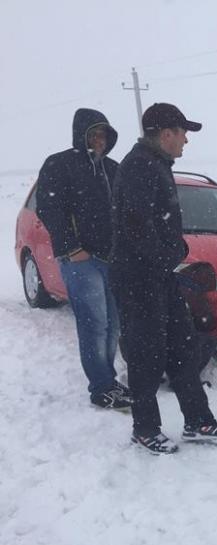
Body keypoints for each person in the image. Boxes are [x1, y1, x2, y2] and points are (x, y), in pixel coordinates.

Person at [110, 103, 217, 455]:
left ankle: (198, 420)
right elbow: (137, 228)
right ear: (166, 134)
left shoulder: (156, 165)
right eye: (183, 133)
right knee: (145, 354)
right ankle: (145, 428)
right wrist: (173, 252)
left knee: (183, 347)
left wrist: (171, 254)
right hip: (137, 279)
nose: (186, 141)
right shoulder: (139, 167)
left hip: (159, 275)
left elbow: (153, 227)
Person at [35, 108, 131, 410]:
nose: (99, 140)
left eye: (104, 134)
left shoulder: (113, 169)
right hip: (81, 260)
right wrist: (71, 248)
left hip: (112, 258)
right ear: (82, 134)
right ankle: (101, 387)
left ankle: (109, 380)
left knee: (112, 325)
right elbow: (49, 208)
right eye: (94, 134)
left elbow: (125, 212)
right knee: (94, 324)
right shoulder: (60, 164)